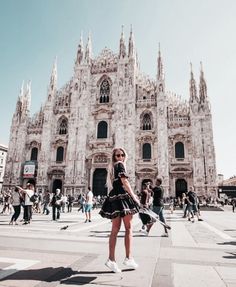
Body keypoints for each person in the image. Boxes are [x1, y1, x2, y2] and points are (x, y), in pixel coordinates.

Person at [99, 148, 140, 273]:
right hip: (122, 196)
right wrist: (134, 197)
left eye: (122, 155)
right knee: (128, 228)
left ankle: (111, 260)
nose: (121, 157)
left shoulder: (111, 168)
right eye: (118, 155)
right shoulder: (120, 165)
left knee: (115, 230)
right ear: (114, 156)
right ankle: (129, 258)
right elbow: (125, 181)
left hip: (114, 197)